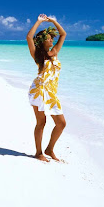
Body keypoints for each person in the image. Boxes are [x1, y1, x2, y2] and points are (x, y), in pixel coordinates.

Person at [26, 14, 67, 162]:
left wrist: (53, 21)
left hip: (51, 93)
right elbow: (29, 37)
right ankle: (38, 152)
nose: (52, 39)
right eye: (49, 38)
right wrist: (38, 22)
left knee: (61, 124)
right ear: (43, 41)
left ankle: (50, 149)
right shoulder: (37, 55)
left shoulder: (54, 52)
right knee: (41, 123)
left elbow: (63, 34)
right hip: (39, 91)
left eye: (52, 38)